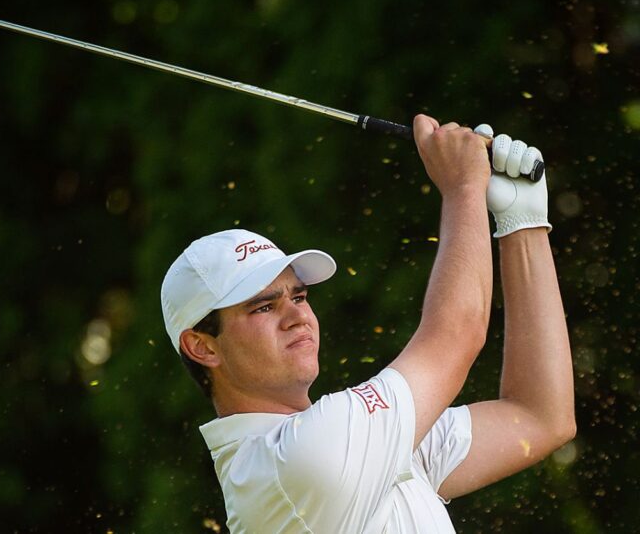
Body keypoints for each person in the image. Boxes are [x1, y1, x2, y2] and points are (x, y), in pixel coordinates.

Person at [160, 115, 576, 533]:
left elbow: (538, 416)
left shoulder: (352, 445)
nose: (297, 316)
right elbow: (458, 333)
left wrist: (522, 224)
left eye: (299, 296)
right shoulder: (296, 460)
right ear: (203, 347)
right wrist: (463, 187)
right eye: (264, 307)